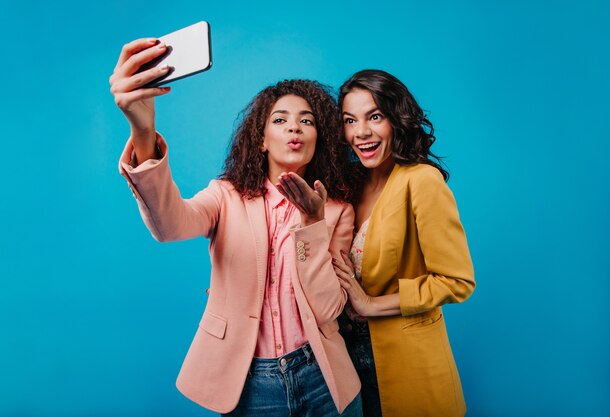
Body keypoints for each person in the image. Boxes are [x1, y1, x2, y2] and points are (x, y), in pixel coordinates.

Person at [108, 38, 362, 416]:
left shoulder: (337, 210)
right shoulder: (225, 196)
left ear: (318, 139)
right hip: (249, 382)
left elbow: (329, 309)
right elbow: (168, 225)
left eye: (306, 121)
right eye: (280, 120)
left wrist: (312, 222)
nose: (294, 127)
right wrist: (143, 133)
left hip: (321, 375)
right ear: (260, 140)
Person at [332, 69, 475, 417]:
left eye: (375, 116)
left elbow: (457, 281)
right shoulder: (348, 185)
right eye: (350, 120)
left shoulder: (421, 181)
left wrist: (369, 305)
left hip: (408, 360)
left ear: (397, 120)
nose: (361, 132)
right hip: (346, 358)